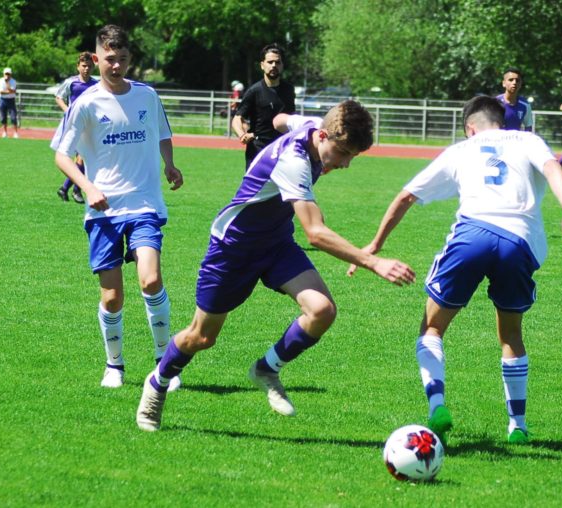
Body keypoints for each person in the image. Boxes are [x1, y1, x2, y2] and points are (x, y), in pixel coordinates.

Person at [136, 100, 416, 432]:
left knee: (322, 310)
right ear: (323, 136)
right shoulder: (294, 162)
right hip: (233, 249)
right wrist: (373, 262)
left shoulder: (311, 125)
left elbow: (281, 118)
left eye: (352, 156)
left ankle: (266, 369)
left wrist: (274, 127)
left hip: (276, 243)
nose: (345, 164)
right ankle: (158, 383)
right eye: (343, 154)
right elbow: (315, 233)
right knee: (201, 337)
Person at [348, 96, 562, 445]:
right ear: (503, 122)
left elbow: (405, 197)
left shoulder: (462, 149)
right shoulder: (528, 140)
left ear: (470, 127)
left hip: (473, 234)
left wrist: (375, 245)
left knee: (432, 327)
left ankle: (437, 406)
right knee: (511, 336)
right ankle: (517, 425)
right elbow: (552, 168)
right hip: (518, 243)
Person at [51, 24, 185, 390]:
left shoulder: (146, 96)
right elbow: (62, 156)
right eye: (109, 59)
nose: (116, 65)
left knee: (151, 278)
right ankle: (115, 365)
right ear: (96, 59)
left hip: (143, 204)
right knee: (112, 297)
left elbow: (162, 132)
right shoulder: (85, 103)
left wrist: (169, 164)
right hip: (103, 211)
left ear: (130, 60)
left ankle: (164, 366)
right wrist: (86, 185)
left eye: (122, 59)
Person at [231, 43, 296, 169]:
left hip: (282, 151)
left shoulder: (288, 90)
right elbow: (237, 118)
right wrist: (242, 134)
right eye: (270, 62)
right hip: (258, 151)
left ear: (282, 65)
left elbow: (291, 119)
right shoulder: (254, 91)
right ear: (262, 65)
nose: (273, 66)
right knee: (256, 189)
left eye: (277, 62)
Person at [55, 52, 98, 204]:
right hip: (75, 125)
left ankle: (67, 189)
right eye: (84, 66)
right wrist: (68, 110)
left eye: (89, 66)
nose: (86, 69)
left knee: (82, 158)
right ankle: (75, 189)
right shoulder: (71, 82)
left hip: (90, 125)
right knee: (82, 157)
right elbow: (59, 97)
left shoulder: (96, 85)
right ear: (78, 66)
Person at [0, 67, 19, 139]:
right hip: (3, 100)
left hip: (11, 100)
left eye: (8, 74)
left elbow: (12, 91)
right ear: (3, 74)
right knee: (3, 117)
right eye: (6, 74)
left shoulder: (13, 81)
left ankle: (15, 133)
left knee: (13, 117)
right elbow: (0, 92)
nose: (7, 75)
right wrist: (8, 92)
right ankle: (5, 132)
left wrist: (7, 83)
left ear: (11, 74)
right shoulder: (0, 81)